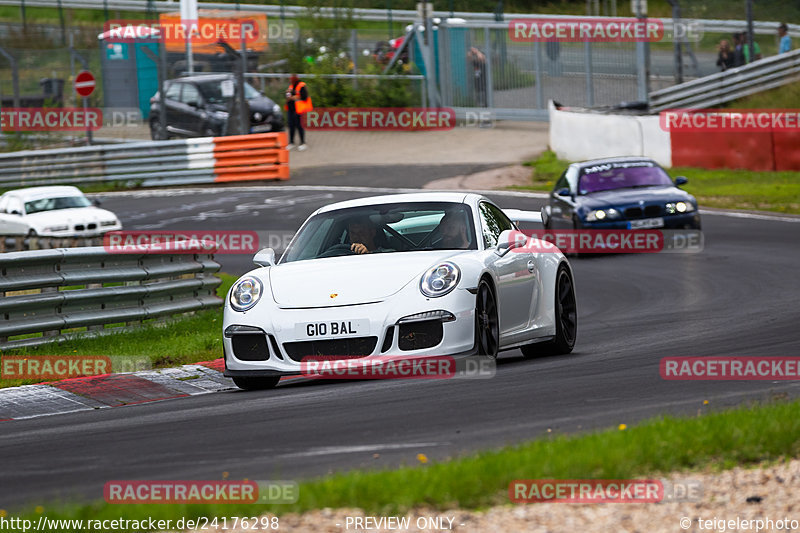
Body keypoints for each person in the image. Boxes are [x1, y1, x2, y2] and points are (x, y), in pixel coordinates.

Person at [285, 74, 312, 151]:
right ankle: (291, 142)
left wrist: (293, 97)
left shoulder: (302, 86)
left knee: (299, 126)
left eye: (291, 79)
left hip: (299, 110)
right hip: (291, 109)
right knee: (291, 126)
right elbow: (288, 96)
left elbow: (304, 97)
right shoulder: (291, 86)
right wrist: (287, 94)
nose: (290, 81)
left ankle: (303, 143)